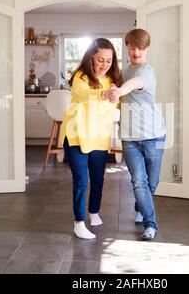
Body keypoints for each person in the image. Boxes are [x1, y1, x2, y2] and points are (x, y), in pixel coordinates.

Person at [61, 38, 122, 239]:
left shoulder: (114, 80)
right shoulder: (81, 76)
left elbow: (117, 105)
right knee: (81, 181)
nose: (105, 64)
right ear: (90, 58)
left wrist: (116, 97)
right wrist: (104, 94)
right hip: (77, 135)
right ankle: (78, 223)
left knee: (98, 179)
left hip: (99, 136)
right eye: (100, 60)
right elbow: (82, 95)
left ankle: (94, 212)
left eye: (109, 60)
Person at [107, 29, 166, 241]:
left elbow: (134, 84)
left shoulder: (146, 72)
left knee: (152, 183)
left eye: (140, 47)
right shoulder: (124, 72)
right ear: (127, 47)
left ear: (146, 48)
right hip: (130, 137)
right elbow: (116, 91)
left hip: (155, 136)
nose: (136, 51)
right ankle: (150, 225)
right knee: (139, 182)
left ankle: (141, 205)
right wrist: (112, 93)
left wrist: (120, 91)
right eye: (132, 47)